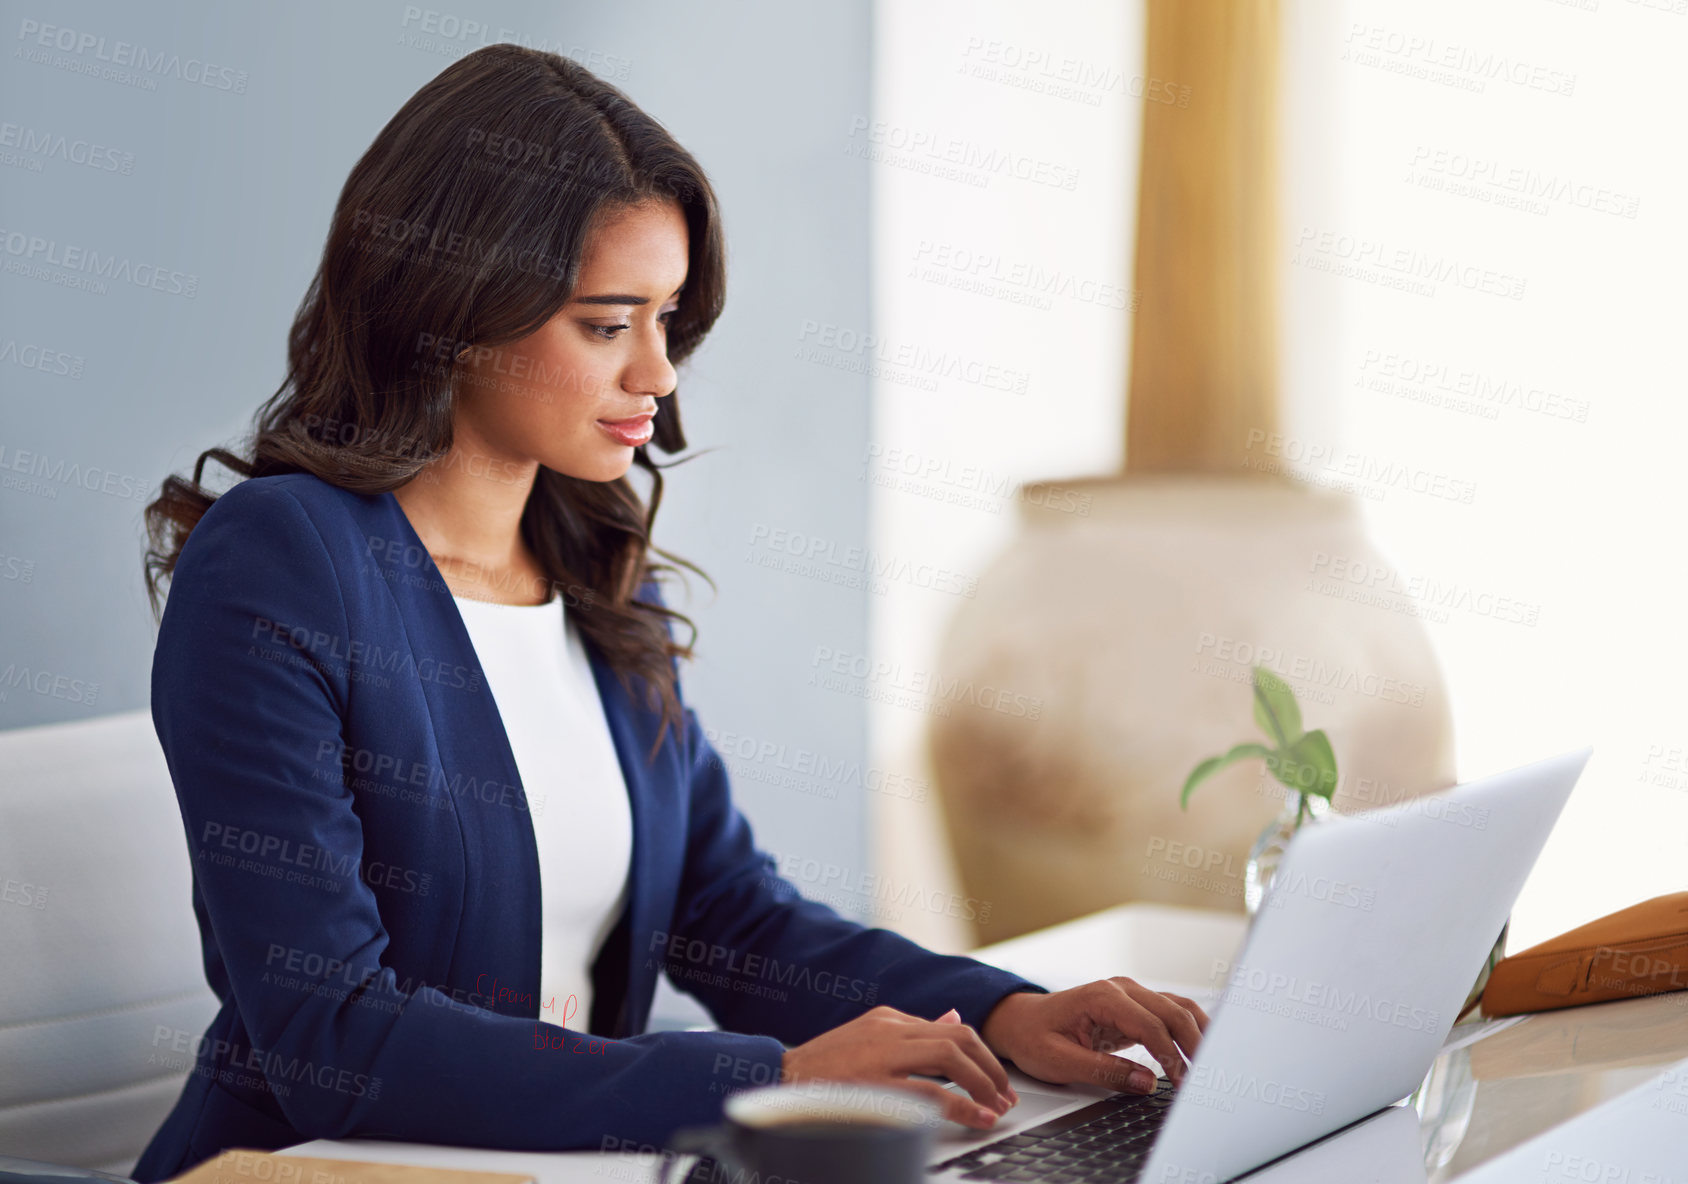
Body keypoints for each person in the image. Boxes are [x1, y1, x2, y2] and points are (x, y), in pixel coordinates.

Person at [133, 43, 1207, 1181]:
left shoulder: (592, 565)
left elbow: (725, 912)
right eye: (606, 324)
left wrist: (995, 1010)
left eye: (666, 318)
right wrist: (766, 1079)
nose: (658, 373)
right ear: (449, 309)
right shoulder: (284, 560)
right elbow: (332, 1037)